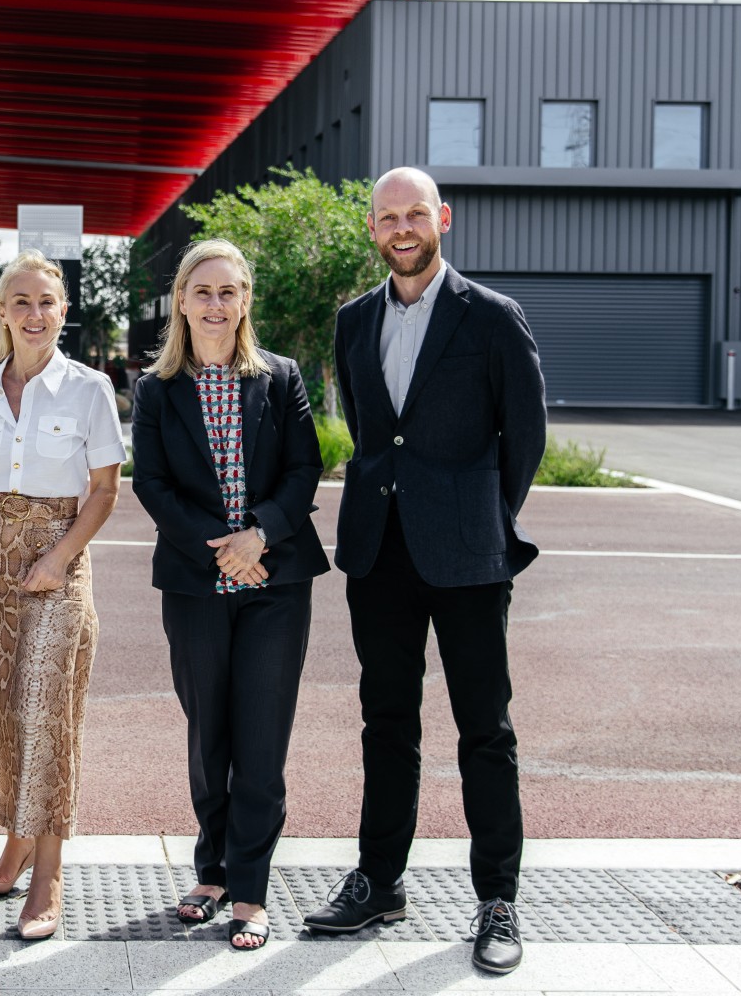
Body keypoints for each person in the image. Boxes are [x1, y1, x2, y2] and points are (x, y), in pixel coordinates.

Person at [305, 167, 547, 978]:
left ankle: (497, 900)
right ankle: (380, 881)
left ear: (441, 218)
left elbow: (527, 437)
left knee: (486, 729)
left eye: (415, 214)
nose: (402, 228)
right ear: (372, 229)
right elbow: (375, 434)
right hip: (380, 552)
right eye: (387, 217)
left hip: (469, 556)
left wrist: (483, 518)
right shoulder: (353, 320)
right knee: (387, 723)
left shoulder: (493, 317)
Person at [130, 239, 328, 951]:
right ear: (181, 300)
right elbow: (150, 484)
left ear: (246, 300)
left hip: (277, 582)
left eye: (229, 291)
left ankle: (249, 889)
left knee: (262, 740)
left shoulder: (281, 377)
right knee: (209, 734)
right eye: (203, 291)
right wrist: (222, 546)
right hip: (195, 583)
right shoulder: (155, 388)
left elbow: (305, 468)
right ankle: (210, 869)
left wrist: (259, 538)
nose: (216, 305)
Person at [0, 251, 125, 940]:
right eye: (21, 301)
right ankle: (15, 845)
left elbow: (104, 490)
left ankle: (47, 877)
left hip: (57, 558)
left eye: (46, 301)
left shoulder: (89, 389)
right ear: (3, 311)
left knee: (46, 714)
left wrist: (58, 558)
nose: (34, 314)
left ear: (63, 310)